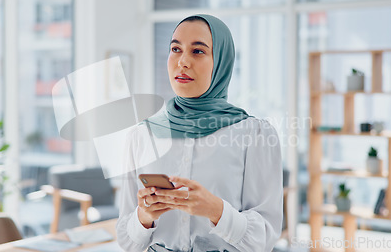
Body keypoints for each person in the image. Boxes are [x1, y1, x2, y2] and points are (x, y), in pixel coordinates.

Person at [116, 14, 283, 252]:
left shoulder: (255, 134)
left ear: (222, 62)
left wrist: (216, 210)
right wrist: (144, 217)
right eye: (175, 48)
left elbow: (265, 236)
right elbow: (126, 240)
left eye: (198, 51)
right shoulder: (141, 135)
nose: (182, 61)